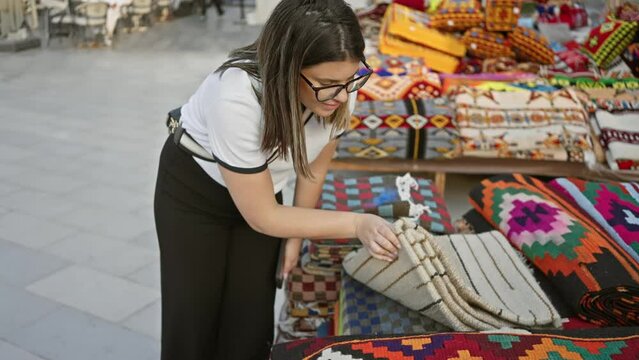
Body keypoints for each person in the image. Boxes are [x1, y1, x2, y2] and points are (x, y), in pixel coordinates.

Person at [153, 0, 400, 358]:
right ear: (287, 68)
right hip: (195, 197)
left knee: (250, 325)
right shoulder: (235, 95)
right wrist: (358, 223)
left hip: (262, 193)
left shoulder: (341, 86)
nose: (343, 96)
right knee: (193, 322)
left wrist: (295, 237)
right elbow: (264, 216)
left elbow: (312, 167)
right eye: (328, 84)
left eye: (351, 80)